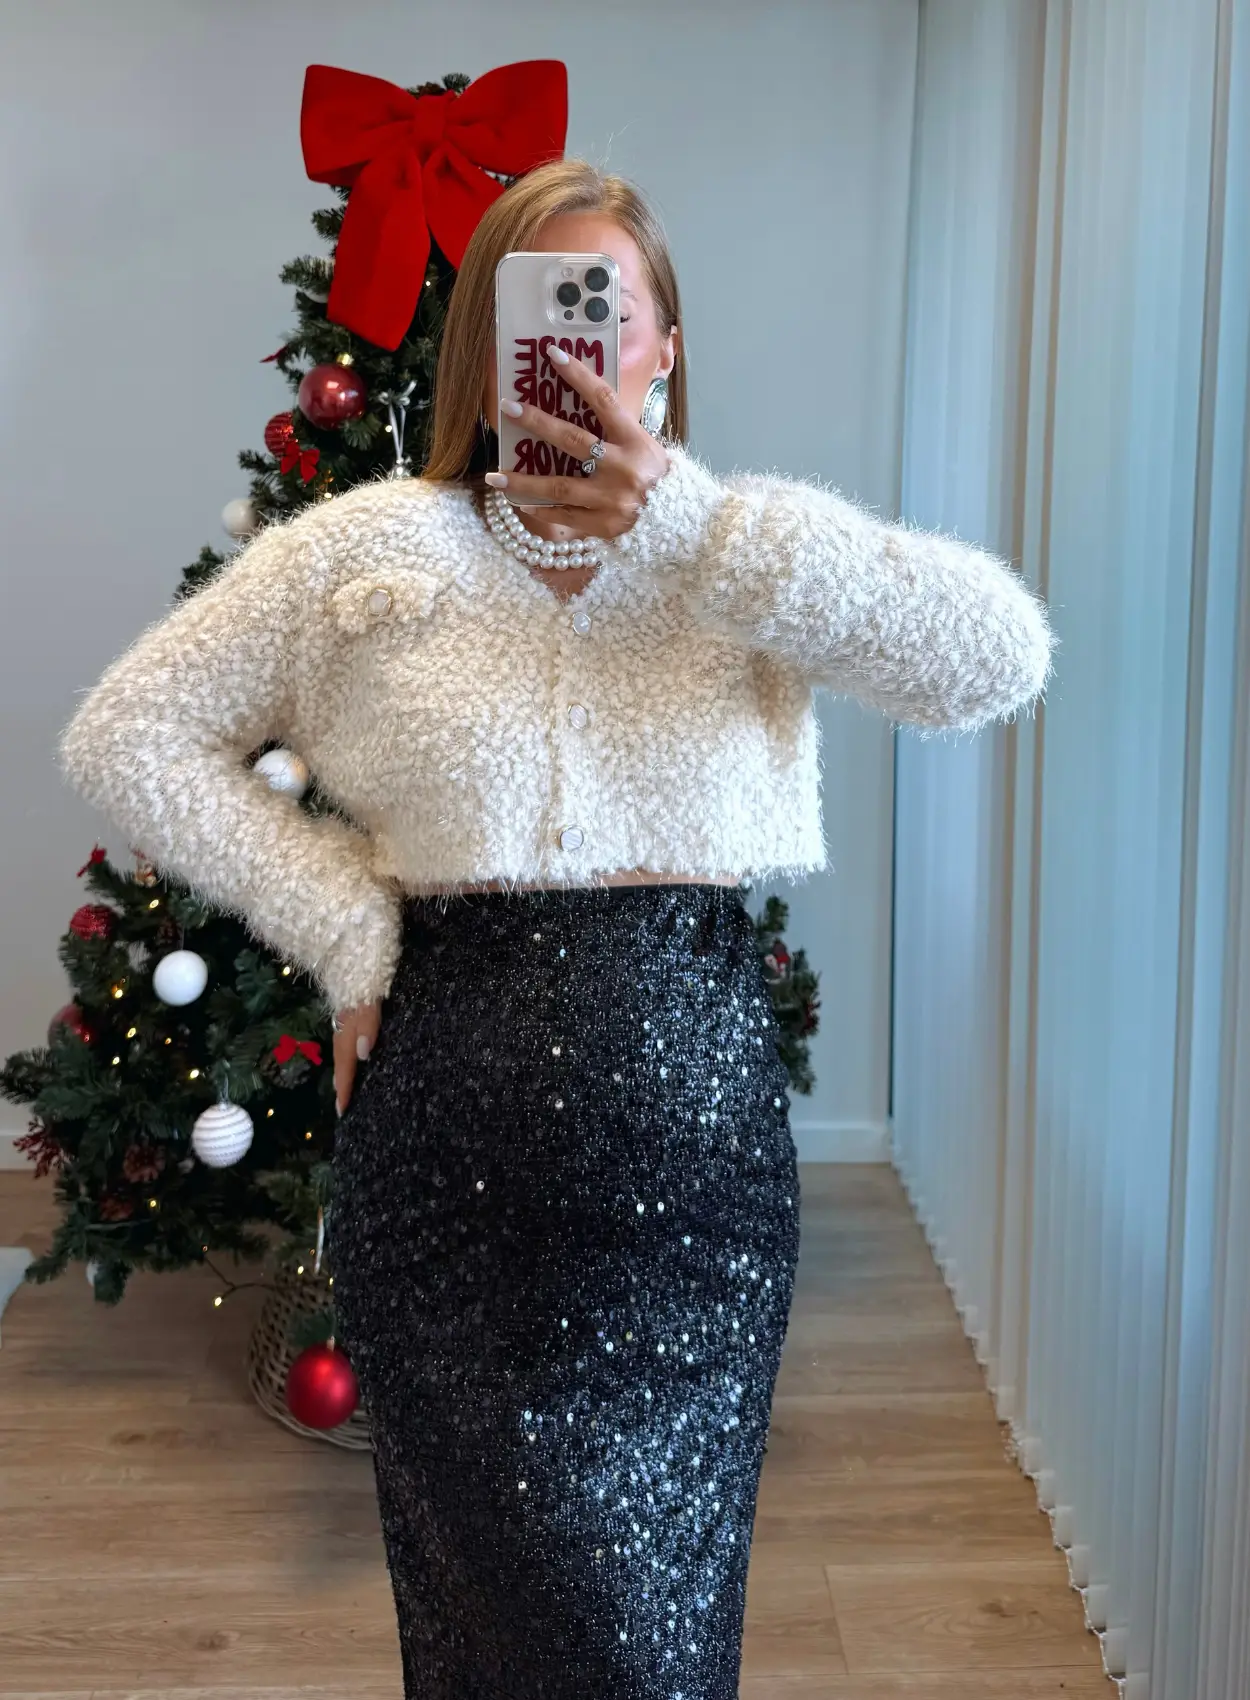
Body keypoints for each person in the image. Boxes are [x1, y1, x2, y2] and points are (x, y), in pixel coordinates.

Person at [58, 157, 1056, 1699]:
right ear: (488, 344)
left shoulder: (746, 552)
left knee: (651, 1632)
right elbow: (127, 734)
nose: (582, 344)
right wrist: (345, 924)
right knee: (492, 1615)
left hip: (694, 1173)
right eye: (546, 309)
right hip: (444, 1148)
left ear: (663, 345)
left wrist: (699, 527)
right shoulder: (364, 550)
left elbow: (993, 658)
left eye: (614, 309)